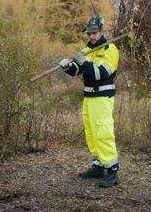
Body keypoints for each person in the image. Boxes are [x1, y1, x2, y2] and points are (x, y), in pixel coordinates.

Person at [59, 16, 120, 187]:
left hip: (102, 97)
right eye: (89, 34)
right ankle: (98, 165)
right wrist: (67, 67)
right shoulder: (86, 49)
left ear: (101, 31)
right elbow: (77, 70)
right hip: (89, 97)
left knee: (103, 131)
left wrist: (84, 62)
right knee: (91, 132)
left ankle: (112, 171)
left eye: (94, 33)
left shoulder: (110, 49)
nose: (91, 36)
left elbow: (101, 73)